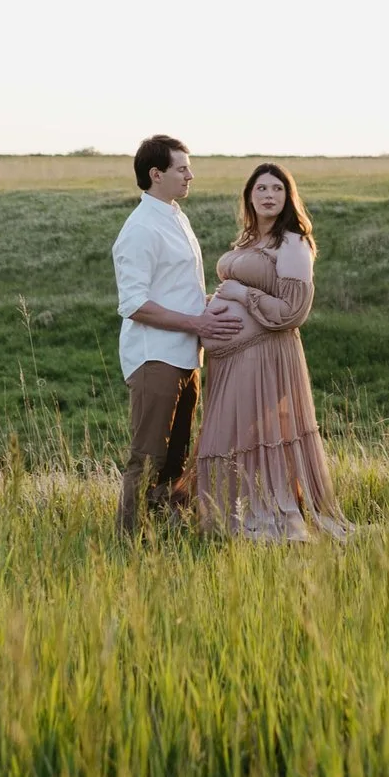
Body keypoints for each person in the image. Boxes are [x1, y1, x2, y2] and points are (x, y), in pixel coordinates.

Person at [190, 160, 352, 542]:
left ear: (288, 197)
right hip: (230, 360)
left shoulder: (292, 242)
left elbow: (293, 311)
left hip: (264, 355)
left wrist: (241, 293)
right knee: (228, 436)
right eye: (261, 189)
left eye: (277, 189)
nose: (268, 195)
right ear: (249, 196)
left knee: (251, 438)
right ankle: (223, 517)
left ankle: (264, 516)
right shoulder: (248, 241)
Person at [111, 134, 241, 535]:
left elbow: (174, 290)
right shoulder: (138, 230)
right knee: (148, 457)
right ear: (156, 174)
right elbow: (134, 303)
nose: (191, 175)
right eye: (182, 168)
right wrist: (198, 323)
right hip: (156, 358)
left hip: (186, 356)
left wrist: (211, 304)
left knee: (176, 457)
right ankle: (128, 540)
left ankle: (165, 531)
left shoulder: (175, 216)